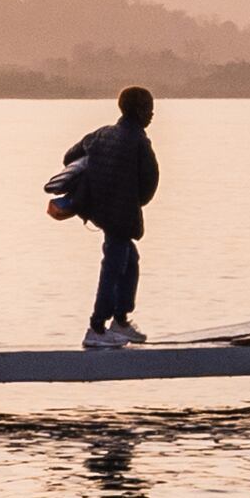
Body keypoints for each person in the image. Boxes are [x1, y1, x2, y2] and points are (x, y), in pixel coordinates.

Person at [53, 87, 161, 347]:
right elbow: (149, 182)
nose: (152, 114)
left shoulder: (101, 135)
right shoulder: (139, 142)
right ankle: (97, 327)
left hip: (102, 210)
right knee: (113, 266)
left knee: (130, 259)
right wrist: (134, 199)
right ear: (138, 111)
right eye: (149, 108)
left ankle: (120, 321)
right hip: (122, 214)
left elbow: (70, 157)